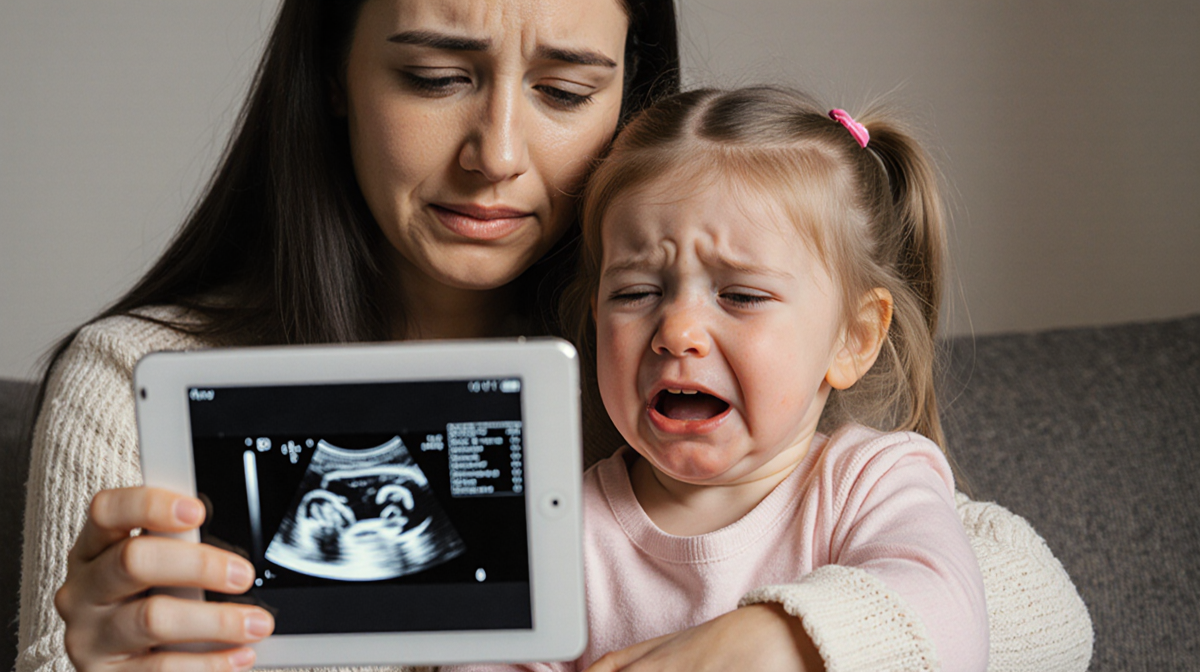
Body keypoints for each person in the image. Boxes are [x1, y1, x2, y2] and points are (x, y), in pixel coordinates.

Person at [16, 3, 1090, 672]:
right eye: (435, 77)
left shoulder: (714, 426)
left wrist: (778, 642)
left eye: (567, 89)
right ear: (331, 81)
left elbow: (1023, 600)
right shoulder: (139, 381)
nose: (496, 151)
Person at [450, 85, 994, 672]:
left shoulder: (868, 484)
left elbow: (950, 619)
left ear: (854, 338)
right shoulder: (560, 532)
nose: (677, 331)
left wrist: (770, 640)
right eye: (636, 292)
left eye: (740, 295)